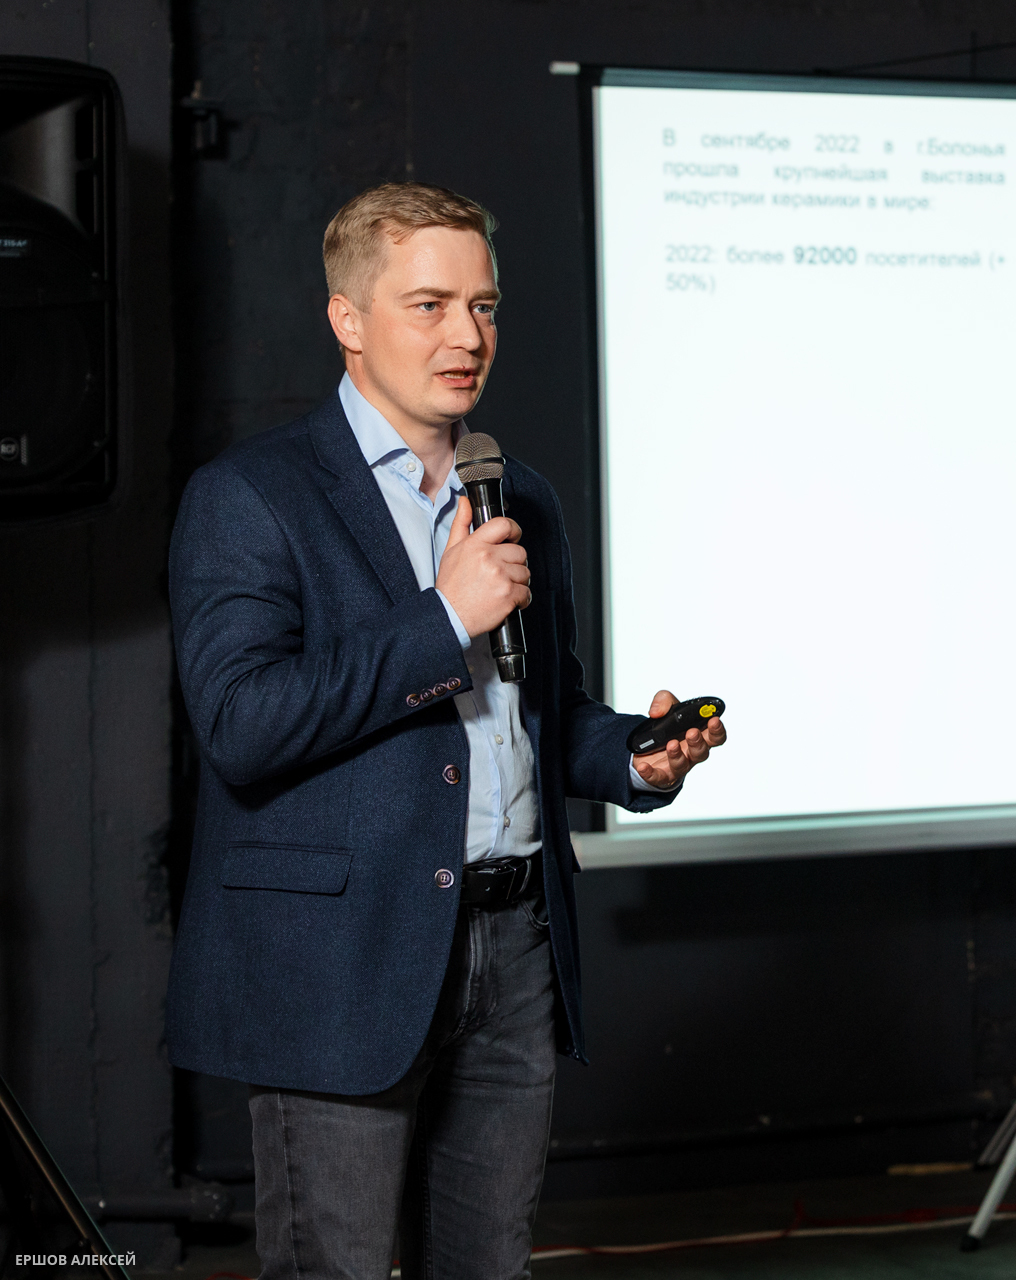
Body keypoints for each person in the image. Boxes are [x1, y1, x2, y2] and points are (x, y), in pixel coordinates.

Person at [164, 184, 728, 1280]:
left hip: (513, 944)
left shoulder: (519, 496)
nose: (467, 336)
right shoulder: (251, 496)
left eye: (484, 305)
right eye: (429, 304)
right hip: (343, 956)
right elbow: (240, 724)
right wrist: (441, 619)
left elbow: (540, 712)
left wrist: (633, 755)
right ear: (348, 319)